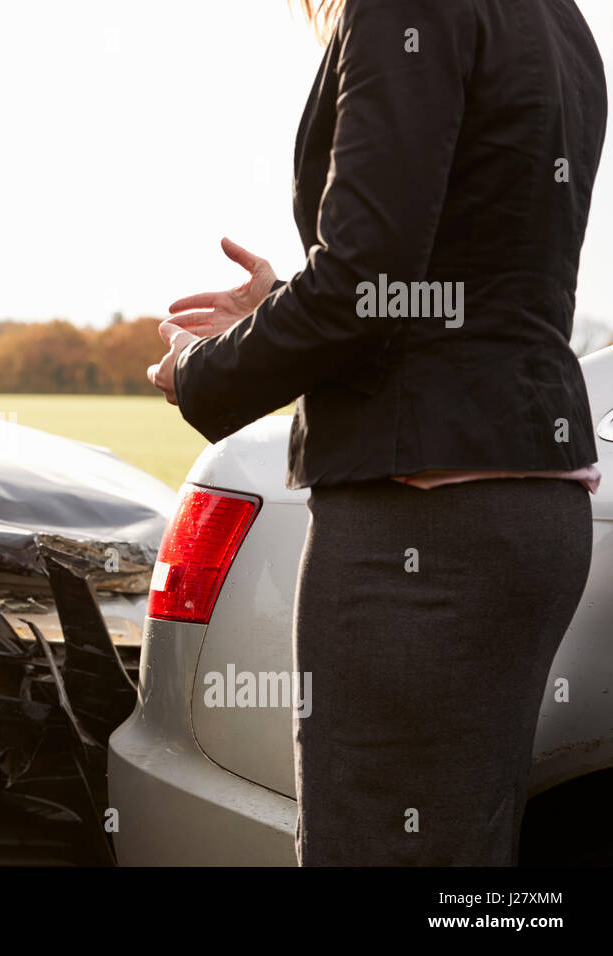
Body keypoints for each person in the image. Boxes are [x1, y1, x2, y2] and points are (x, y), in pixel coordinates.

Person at [149, 0, 607, 865]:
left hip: (424, 514)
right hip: (528, 498)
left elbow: (368, 279)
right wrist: (279, 306)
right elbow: (458, 271)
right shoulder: (562, 19)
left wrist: (205, 370)